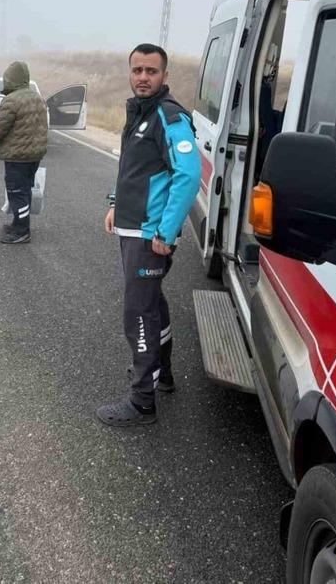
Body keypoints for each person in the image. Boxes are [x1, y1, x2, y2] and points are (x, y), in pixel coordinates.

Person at [96, 43, 201, 427]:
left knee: (138, 313)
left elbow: (188, 176)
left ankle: (142, 401)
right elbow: (133, 169)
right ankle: (164, 374)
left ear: (165, 76)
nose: (143, 77)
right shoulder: (137, 112)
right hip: (131, 225)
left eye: (151, 71)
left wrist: (166, 231)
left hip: (148, 235)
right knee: (153, 303)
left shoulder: (168, 116)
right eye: (137, 70)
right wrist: (114, 202)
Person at [0, 60, 48, 244]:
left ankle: (21, 230)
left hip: (17, 156)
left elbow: (0, 126)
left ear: (9, 79)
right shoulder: (37, 98)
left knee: (16, 192)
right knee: (25, 190)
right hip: (34, 155)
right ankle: (18, 223)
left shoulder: (11, 100)